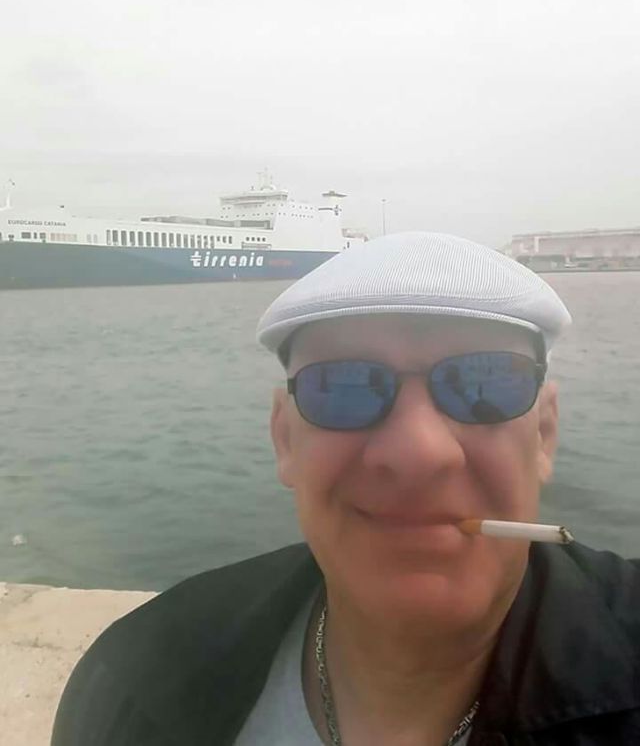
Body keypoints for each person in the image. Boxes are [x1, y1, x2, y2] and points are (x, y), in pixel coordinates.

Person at [52, 231, 640, 746]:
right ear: (284, 438)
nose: (418, 453)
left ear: (543, 435)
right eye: (344, 387)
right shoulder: (137, 677)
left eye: (483, 384)